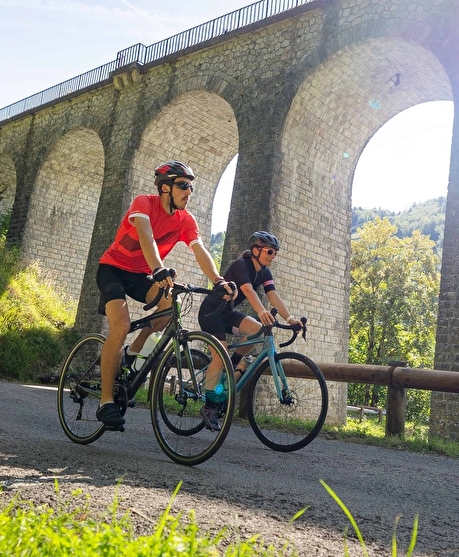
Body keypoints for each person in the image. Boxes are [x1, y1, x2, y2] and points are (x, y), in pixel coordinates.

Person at [94, 161, 231, 430]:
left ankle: (133, 354)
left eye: (191, 187)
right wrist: (158, 269)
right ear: (165, 188)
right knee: (120, 326)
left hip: (140, 275)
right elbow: (146, 237)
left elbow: (200, 250)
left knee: (171, 305)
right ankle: (106, 400)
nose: (188, 191)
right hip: (113, 270)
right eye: (183, 186)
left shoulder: (186, 219)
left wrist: (218, 280)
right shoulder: (144, 203)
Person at [196, 230, 304, 429]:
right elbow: (247, 290)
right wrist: (261, 311)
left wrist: (290, 318)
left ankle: (233, 363)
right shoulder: (241, 265)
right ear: (256, 250)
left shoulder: (264, 272)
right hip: (211, 312)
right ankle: (209, 407)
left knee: (256, 329)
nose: (273, 256)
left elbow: (273, 296)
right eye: (269, 252)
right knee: (220, 357)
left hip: (227, 312)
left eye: (275, 253)